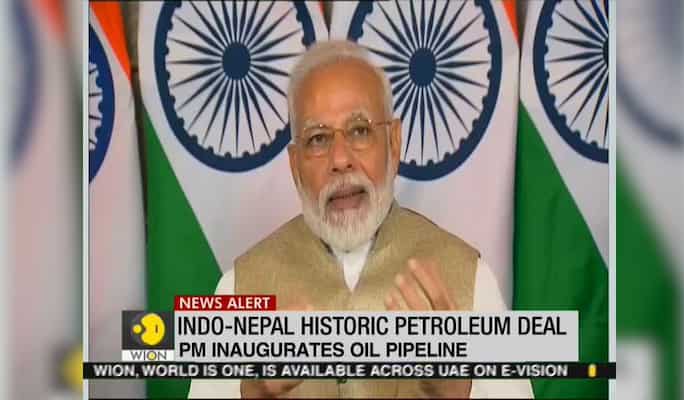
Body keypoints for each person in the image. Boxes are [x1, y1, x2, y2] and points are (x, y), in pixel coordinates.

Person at [189, 40, 533, 399]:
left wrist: (460, 390)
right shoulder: (238, 287)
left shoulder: (469, 278)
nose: (340, 160)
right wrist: (251, 394)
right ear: (294, 165)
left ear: (394, 143)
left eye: (360, 131)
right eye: (318, 139)